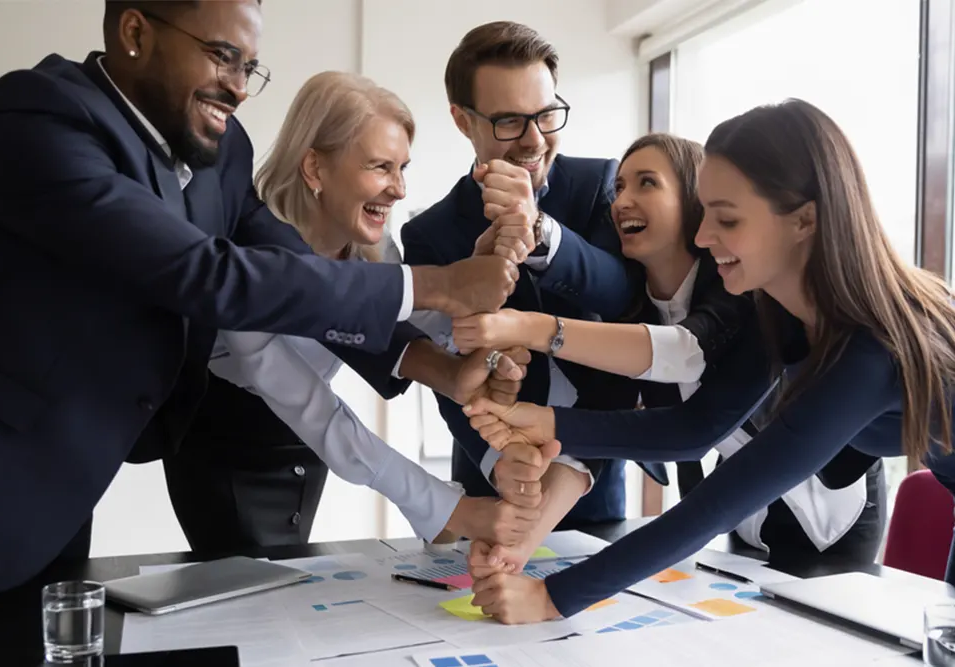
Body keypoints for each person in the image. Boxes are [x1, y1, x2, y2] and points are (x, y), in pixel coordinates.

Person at [0, 0, 517, 594]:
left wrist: (447, 363)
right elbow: (208, 275)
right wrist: (438, 284)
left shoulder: (222, 150)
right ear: (135, 32)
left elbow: (287, 262)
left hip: (67, 473)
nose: (241, 88)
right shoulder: (37, 117)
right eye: (223, 57)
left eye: (250, 66)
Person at [461, 98, 955, 624]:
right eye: (704, 213)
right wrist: (547, 423)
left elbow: (719, 501)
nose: (701, 237)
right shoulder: (781, 315)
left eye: (726, 218)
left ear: (804, 220)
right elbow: (695, 428)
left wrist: (553, 598)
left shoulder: (868, 349)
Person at [455, 133, 886, 565]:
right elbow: (591, 440)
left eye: (647, 183)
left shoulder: (741, 287)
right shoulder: (632, 310)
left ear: (697, 200)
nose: (623, 201)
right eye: (619, 187)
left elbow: (687, 354)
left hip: (835, 505)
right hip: (742, 512)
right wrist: (518, 548)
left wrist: (527, 328)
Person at [205, 70, 540, 547]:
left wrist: (483, 342)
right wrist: (443, 508)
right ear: (315, 169)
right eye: (381, 167)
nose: (399, 189)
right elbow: (313, 408)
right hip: (231, 447)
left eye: (403, 168)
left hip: (309, 446)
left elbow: (413, 323)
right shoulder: (251, 262)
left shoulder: (374, 245)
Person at [401, 21, 667, 559]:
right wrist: (502, 463)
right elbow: (447, 370)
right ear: (462, 120)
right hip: (490, 478)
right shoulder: (428, 234)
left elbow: (624, 299)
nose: (534, 139)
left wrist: (539, 228)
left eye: (546, 114)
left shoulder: (601, 185)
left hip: (592, 468)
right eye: (508, 121)